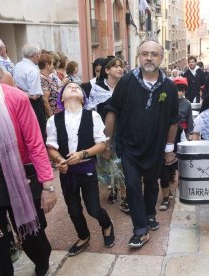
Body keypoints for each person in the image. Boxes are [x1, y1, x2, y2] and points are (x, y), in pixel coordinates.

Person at [104, 39, 178, 248]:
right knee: (133, 185)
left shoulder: (169, 88)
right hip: (129, 147)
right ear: (138, 56)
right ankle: (140, 229)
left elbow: (173, 121)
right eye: (145, 53)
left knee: (152, 183)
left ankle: (150, 214)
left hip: (155, 148)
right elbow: (112, 112)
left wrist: (169, 149)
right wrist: (107, 144)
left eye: (154, 54)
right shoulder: (126, 82)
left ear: (161, 58)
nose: (149, 57)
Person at [0, 60, 57, 276]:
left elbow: (35, 143)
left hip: (20, 174)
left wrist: (48, 185)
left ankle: (42, 260)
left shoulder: (15, 98)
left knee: (32, 234)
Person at [46, 82, 114, 256]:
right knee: (73, 209)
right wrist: (60, 160)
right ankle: (83, 236)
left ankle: (106, 224)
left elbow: (101, 144)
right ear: (61, 97)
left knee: (93, 208)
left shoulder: (92, 116)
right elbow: (51, 147)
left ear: (84, 98)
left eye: (77, 87)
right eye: (69, 87)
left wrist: (83, 154)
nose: (73, 87)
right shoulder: (54, 120)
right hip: (67, 172)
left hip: (87, 168)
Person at [87, 56, 126, 210]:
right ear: (107, 70)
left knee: (123, 162)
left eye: (121, 66)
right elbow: (91, 111)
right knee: (109, 161)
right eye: (115, 66)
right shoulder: (98, 88)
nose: (119, 69)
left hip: (124, 131)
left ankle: (124, 195)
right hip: (105, 131)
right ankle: (113, 188)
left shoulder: (125, 86)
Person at [159, 77, 193, 211]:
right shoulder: (164, 103)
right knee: (164, 173)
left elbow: (189, 121)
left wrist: (189, 136)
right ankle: (166, 197)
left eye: (181, 90)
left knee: (178, 167)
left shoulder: (187, 104)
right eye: (177, 90)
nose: (179, 93)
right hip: (162, 140)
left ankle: (181, 189)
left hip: (179, 138)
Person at [13, 43, 47, 140]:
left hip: (19, 101)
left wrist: (20, 92)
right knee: (38, 131)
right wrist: (25, 93)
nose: (39, 57)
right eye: (39, 54)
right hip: (33, 103)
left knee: (25, 130)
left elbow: (15, 85)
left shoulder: (17, 65)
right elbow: (34, 95)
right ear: (35, 55)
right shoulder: (33, 70)